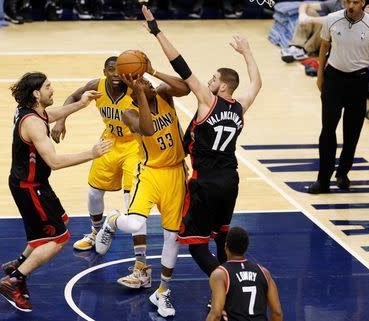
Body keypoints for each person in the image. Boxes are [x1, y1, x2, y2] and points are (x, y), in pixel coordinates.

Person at [140, 4, 261, 284]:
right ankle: (231, 288)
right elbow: (256, 82)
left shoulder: (208, 101)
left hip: (205, 182)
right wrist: (247, 52)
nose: (209, 81)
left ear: (222, 86)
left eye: (214, 79)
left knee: (196, 245)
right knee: (221, 240)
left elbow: (181, 66)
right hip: (230, 181)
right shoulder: (240, 106)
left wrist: (157, 31)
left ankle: (226, 287)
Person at [0, 72, 111, 312]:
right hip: (30, 187)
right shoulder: (34, 123)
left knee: (57, 224)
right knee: (58, 238)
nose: (52, 89)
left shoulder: (29, 111)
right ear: (36, 93)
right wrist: (92, 153)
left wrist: (81, 104)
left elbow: (50, 115)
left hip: (34, 184)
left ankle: (20, 263)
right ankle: (14, 281)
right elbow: (55, 162)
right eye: (48, 86)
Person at [95, 66, 190, 317]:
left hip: (176, 174)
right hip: (149, 173)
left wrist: (154, 71)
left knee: (173, 238)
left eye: (146, 82)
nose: (146, 84)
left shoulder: (164, 94)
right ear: (135, 93)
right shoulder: (130, 112)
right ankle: (113, 219)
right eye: (141, 83)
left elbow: (185, 87)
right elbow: (147, 129)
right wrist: (139, 96)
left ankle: (162, 291)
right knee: (134, 222)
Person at [52, 57, 144, 257]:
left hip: (134, 145)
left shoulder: (136, 89)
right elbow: (73, 97)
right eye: (111, 70)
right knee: (94, 192)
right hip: (110, 140)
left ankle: (136, 252)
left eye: (119, 70)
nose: (116, 74)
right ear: (104, 72)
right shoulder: (97, 85)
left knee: (130, 200)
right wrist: (60, 121)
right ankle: (96, 231)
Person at [308, 0, 369, 194]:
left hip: (358, 81)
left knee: (352, 132)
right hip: (334, 79)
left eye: (355, 1)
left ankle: (343, 173)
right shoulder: (332, 19)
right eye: (348, 1)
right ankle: (323, 180)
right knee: (328, 129)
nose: (351, 5)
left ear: (363, 2)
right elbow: (324, 46)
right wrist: (320, 75)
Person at [206, 227, 283, 321]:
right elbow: (277, 312)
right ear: (246, 248)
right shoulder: (264, 272)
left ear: (225, 246)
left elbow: (216, 314)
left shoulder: (220, 274)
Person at [280, 0, 344, 63]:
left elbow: (333, 19)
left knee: (327, 25)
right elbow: (305, 5)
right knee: (309, 11)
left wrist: (309, 19)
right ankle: (297, 47)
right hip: (325, 38)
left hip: (339, 39)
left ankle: (306, 50)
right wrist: (302, 15)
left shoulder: (351, 6)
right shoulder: (335, 3)